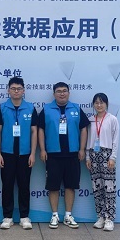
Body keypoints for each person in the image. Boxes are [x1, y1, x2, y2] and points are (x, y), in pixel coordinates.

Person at [38, 82, 89, 229]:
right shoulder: (47, 109)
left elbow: (83, 129)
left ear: (69, 93)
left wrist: (82, 149)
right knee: (53, 186)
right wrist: (42, 149)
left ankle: (68, 215)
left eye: (64, 91)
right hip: (53, 154)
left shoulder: (76, 108)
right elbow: (41, 129)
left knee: (70, 186)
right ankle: (54, 215)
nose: (62, 93)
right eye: (59, 91)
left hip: (73, 154)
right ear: (54, 94)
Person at [0, 77, 38, 230]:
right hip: (7, 154)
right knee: (7, 185)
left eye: (19, 88)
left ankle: (24, 217)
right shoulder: (2, 108)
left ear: (23, 90)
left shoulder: (30, 108)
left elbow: (34, 132)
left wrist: (33, 153)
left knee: (24, 186)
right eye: (13, 88)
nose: (16, 91)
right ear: (8, 90)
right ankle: (7, 217)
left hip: (25, 154)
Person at [85, 93, 120, 231]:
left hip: (107, 155)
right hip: (94, 155)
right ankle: (100, 216)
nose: (99, 105)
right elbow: (88, 139)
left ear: (106, 104)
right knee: (97, 187)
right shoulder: (90, 120)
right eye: (96, 103)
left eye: (102, 102)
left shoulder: (112, 119)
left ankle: (109, 218)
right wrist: (88, 157)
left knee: (109, 188)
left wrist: (113, 157)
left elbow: (116, 139)